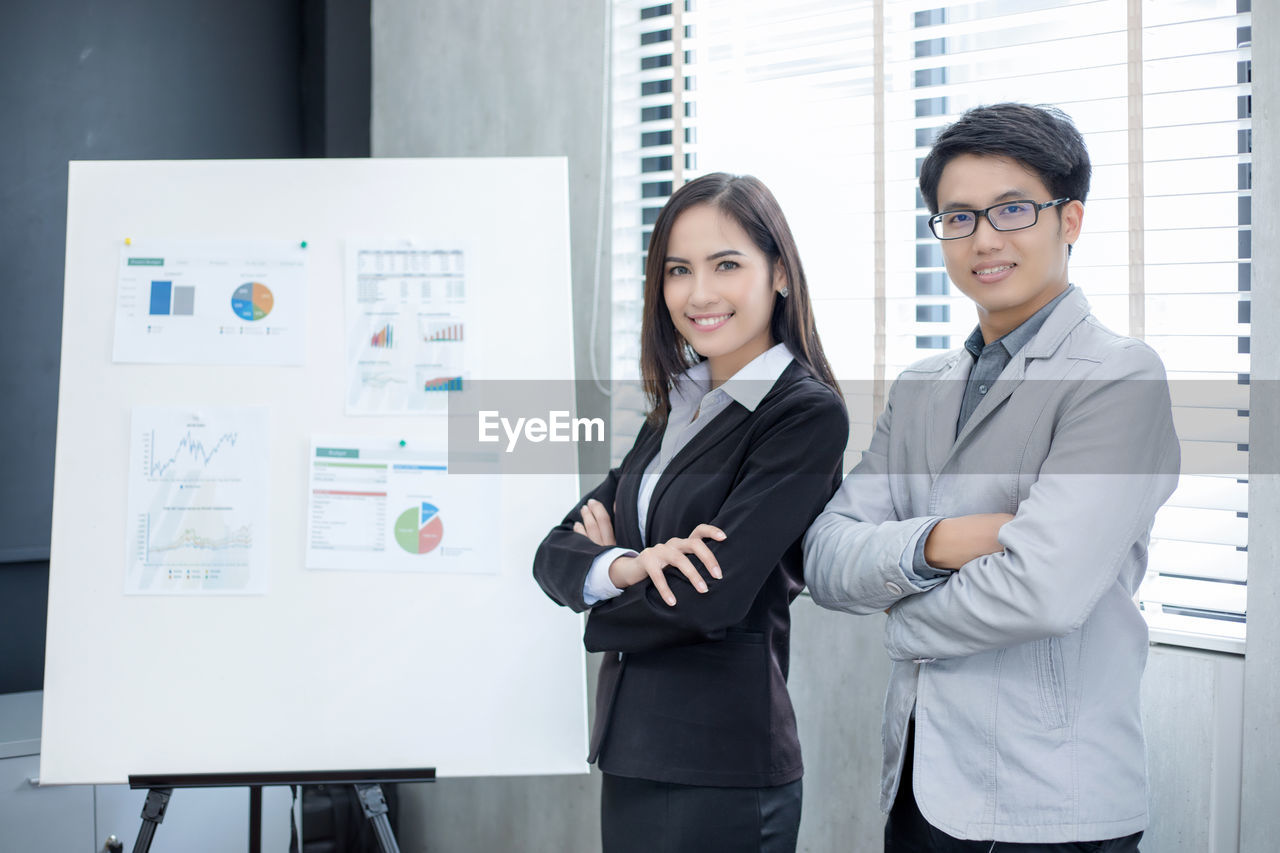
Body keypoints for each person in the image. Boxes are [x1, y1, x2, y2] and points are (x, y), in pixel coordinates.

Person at [802, 103, 1180, 852]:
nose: (984, 238)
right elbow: (822, 556)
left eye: (1012, 209)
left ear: (1069, 219)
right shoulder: (920, 387)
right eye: (958, 216)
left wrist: (903, 623)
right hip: (918, 787)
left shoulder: (1118, 378)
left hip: (1046, 801)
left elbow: (1043, 588)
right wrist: (940, 542)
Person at [533, 172, 848, 853]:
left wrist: (601, 593)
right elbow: (554, 551)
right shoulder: (678, 405)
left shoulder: (803, 413)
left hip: (720, 764)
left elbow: (709, 598)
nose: (698, 293)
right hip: (633, 752)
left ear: (781, 274)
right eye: (679, 270)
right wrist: (631, 566)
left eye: (726, 265)